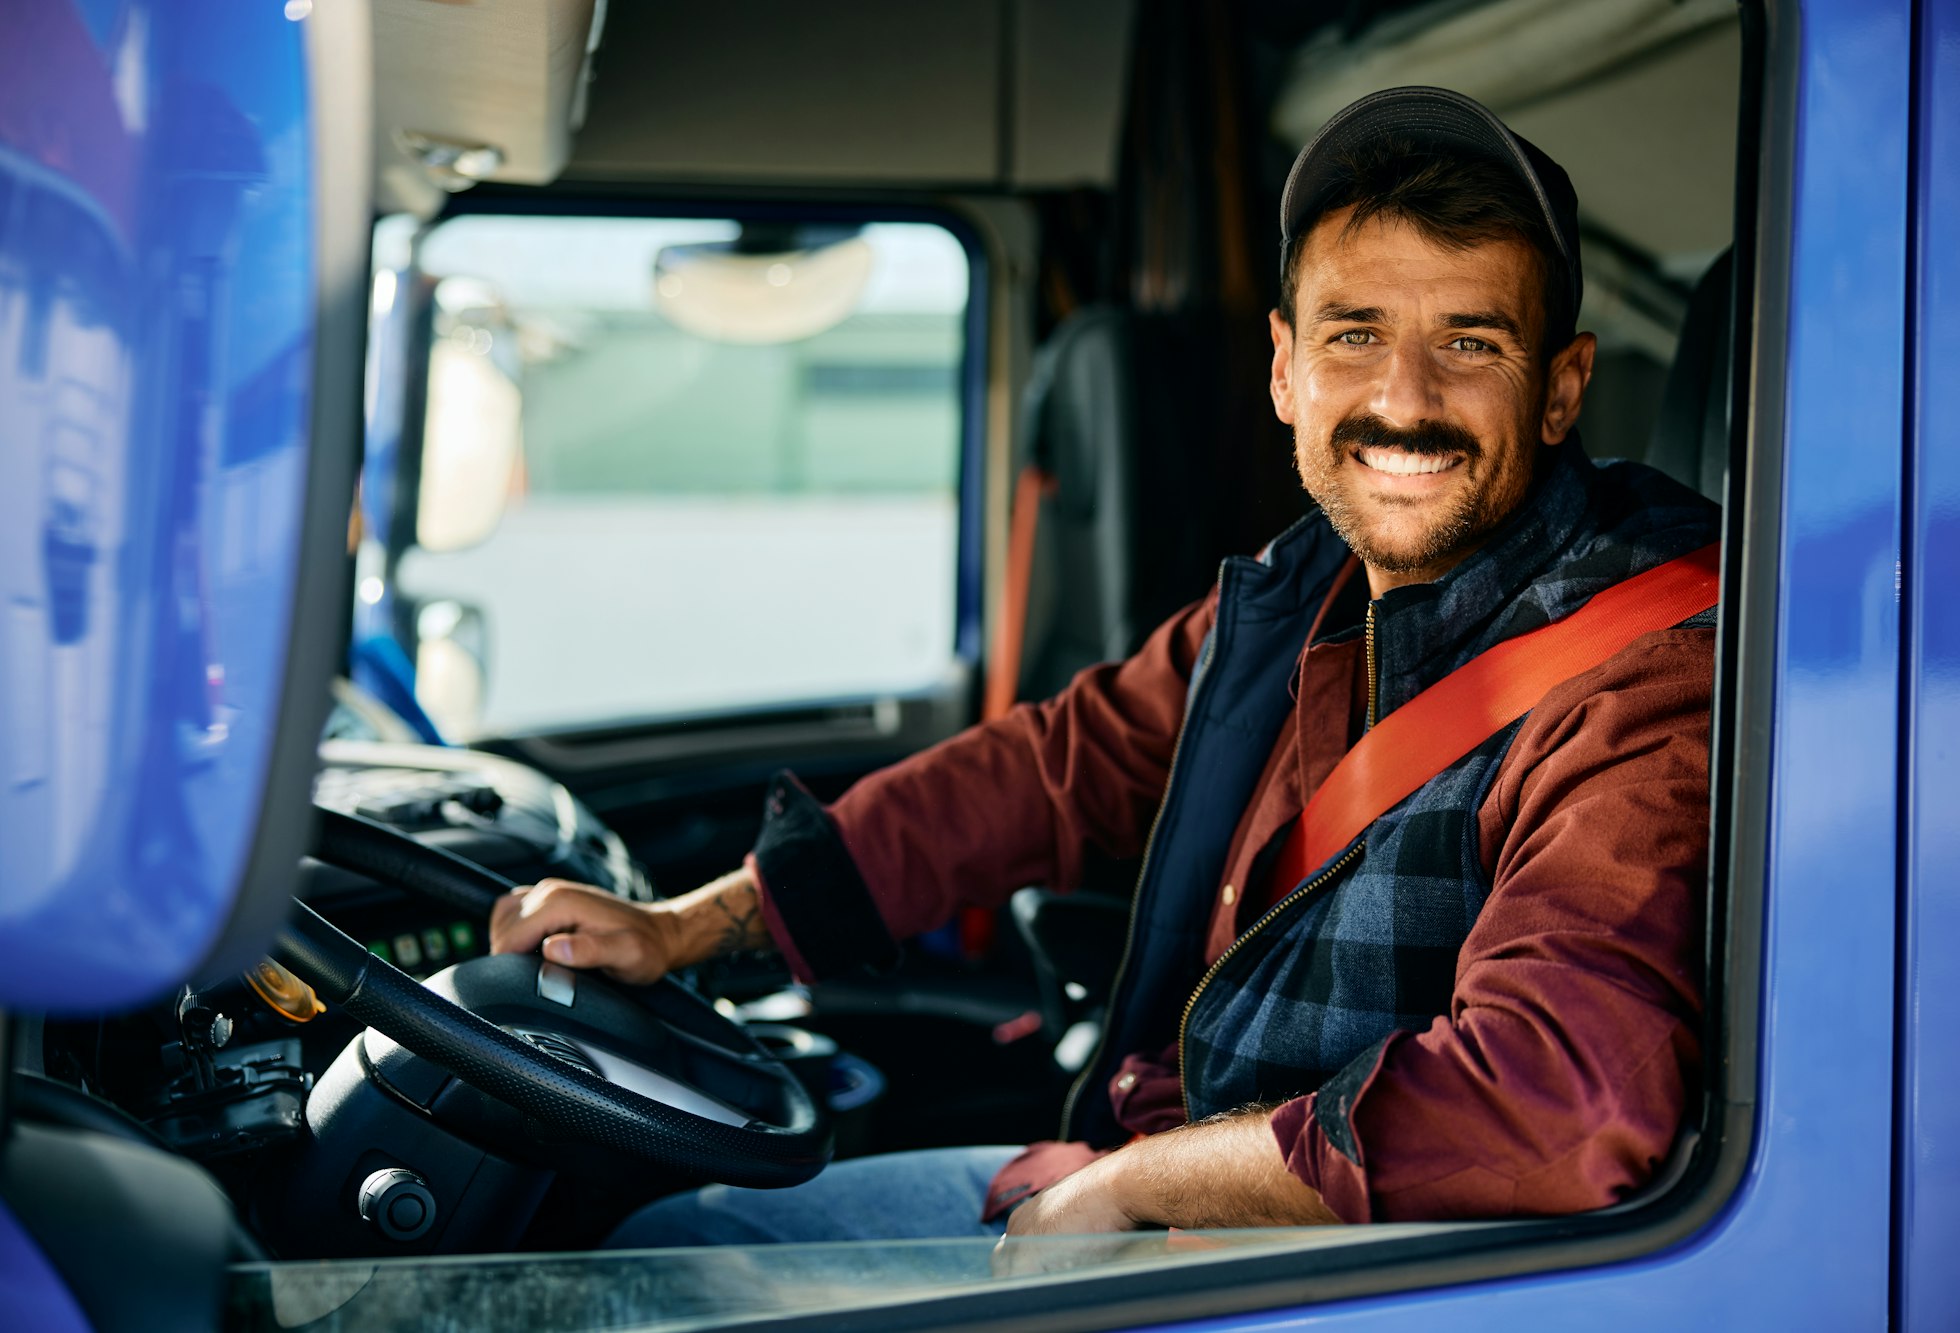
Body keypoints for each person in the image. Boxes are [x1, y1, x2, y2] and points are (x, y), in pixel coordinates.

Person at [489, 86, 1719, 1251]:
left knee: (685, 1267)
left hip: (1354, 1273)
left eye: (1468, 341)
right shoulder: (1306, 594)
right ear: (1286, 371)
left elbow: (1553, 1105)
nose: (1401, 400)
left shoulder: (1642, 682)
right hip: (1193, 1197)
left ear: (1559, 389)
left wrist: (1134, 1183)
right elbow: (1050, 771)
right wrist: (682, 930)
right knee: (688, 1244)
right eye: (1355, 335)